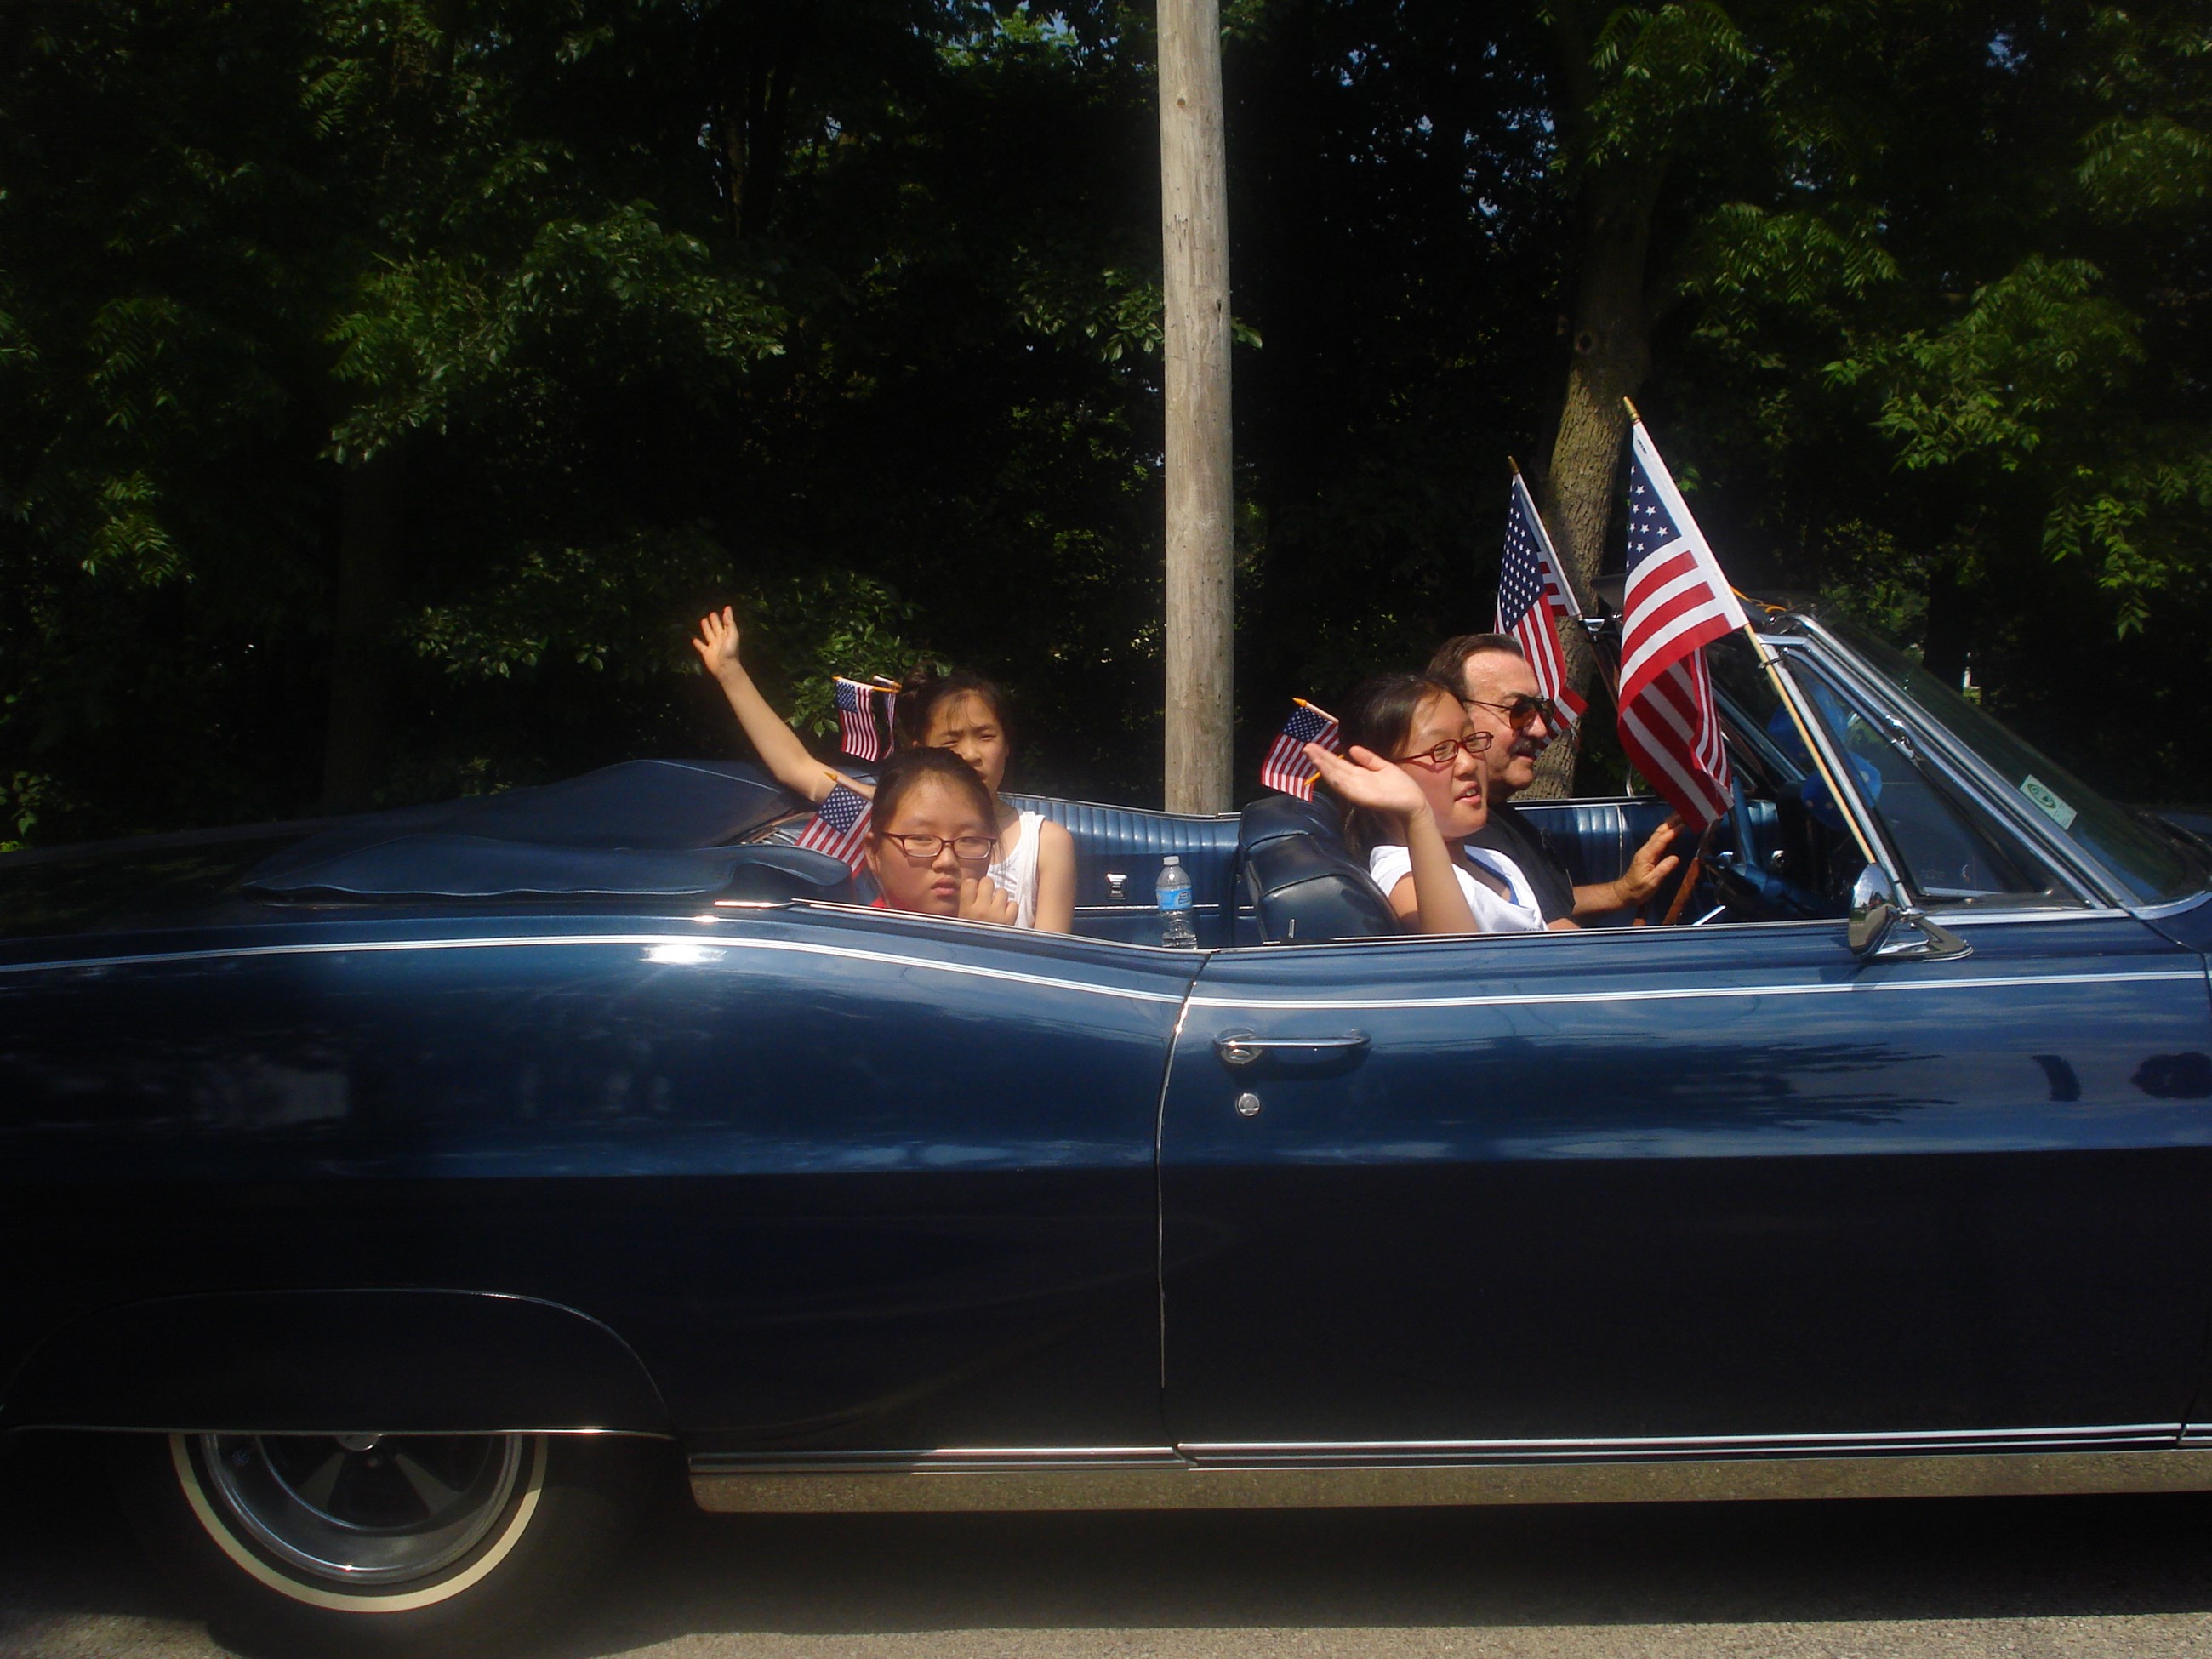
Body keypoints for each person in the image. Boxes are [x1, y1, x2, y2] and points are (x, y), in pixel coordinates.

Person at [693, 607, 1075, 931]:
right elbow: (797, 767)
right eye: (951, 742)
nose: (971, 755)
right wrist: (730, 672)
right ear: (920, 752)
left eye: (985, 736)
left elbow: (1053, 975)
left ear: (1008, 743)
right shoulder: (885, 811)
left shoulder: (1046, 842)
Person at [1425, 633, 1683, 926]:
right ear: (1455, 717)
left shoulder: (1489, 813)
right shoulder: (1460, 834)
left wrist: (1621, 892)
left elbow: (1533, 905)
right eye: (1519, 711)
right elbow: (1556, 941)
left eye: (1540, 711)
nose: (1539, 729)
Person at [1303, 672, 1547, 935]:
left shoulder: (1495, 861)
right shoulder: (1404, 879)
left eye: (1471, 740)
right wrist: (1417, 815)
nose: (1467, 764)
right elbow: (1455, 959)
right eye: (1440, 751)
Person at [863, 748, 1021, 925]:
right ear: (875, 852)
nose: (947, 861)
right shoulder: (852, 947)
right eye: (921, 838)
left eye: (969, 840)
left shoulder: (1003, 938)